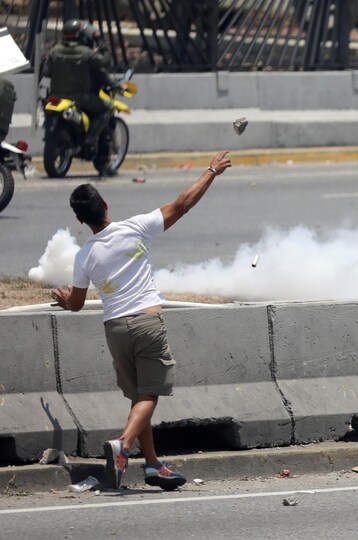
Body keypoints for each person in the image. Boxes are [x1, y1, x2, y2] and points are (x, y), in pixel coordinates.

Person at [50, 150, 233, 490]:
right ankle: (124, 446)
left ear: (81, 221)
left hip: (115, 329)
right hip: (147, 324)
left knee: (138, 398)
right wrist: (211, 171)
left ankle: (152, 466)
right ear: (104, 204)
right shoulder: (135, 227)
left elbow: (76, 304)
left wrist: (63, 300)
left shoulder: (85, 254)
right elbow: (182, 204)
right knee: (151, 394)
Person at [47, 19, 124, 152]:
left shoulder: (54, 51)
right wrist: (100, 42)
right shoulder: (87, 54)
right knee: (108, 108)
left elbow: (46, 71)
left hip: (56, 97)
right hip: (81, 99)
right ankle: (90, 137)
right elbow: (106, 62)